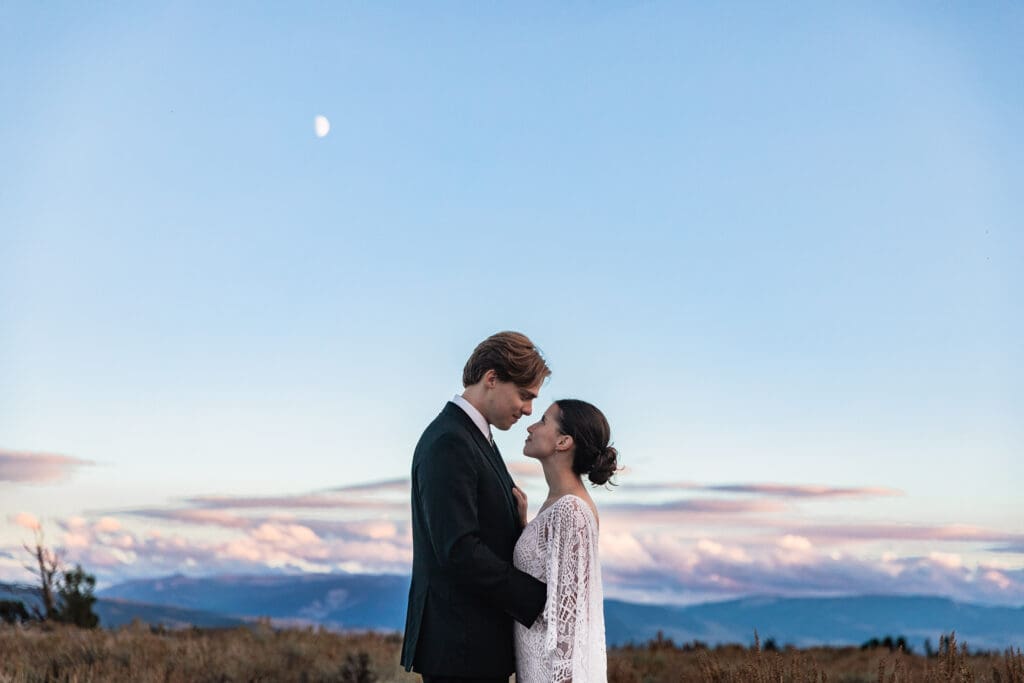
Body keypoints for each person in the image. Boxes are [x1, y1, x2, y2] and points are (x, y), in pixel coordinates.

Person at [401, 331, 551, 682]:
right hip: (460, 647)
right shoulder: (449, 441)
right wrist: (540, 599)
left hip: (475, 643)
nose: (528, 409)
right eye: (524, 395)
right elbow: (459, 551)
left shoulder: (475, 436)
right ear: (492, 378)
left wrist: (517, 522)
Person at [513, 399, 618, 683]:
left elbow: (570, 625)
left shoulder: (571, 510)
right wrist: (526, 529)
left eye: (544, 421)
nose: (531, 425)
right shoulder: (555, 505)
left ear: (563, 441)